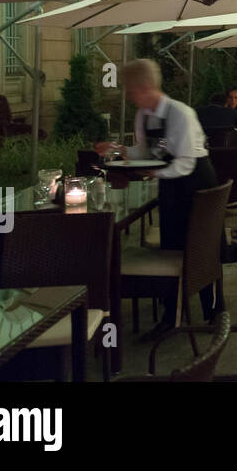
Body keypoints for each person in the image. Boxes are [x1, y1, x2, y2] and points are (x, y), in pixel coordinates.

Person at [95, 59, 221, 339]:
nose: (129, 95)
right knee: (171, 243)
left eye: (130, 89)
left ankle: (210, 308)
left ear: (143, 87)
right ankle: (171, 310)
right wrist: (120, 151)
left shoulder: (181, 114)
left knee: (197, 246)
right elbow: (147, 150)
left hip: (195, 183)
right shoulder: (144, 115)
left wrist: (153, 173)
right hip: (170, 184)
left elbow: (185, 163)